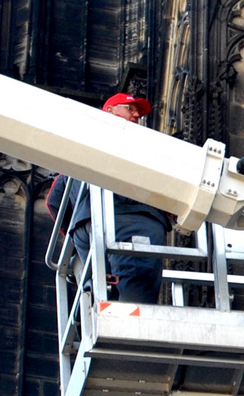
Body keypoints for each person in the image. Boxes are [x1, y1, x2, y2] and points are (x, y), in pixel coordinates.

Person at [46, 93, 170, 304]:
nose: (137, 115)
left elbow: (55, 199)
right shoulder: (139, 147)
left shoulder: (80, 144)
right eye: (130, 109)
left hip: (87, 227)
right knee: (137, 294)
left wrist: (76, 231)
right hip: (130, 221)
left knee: (100, 290)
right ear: (110, 111)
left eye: (139, 112)